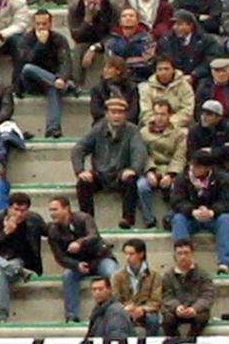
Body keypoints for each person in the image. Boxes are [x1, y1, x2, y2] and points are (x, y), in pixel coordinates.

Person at [72, 97, 148, 229]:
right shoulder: (98, 129)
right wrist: (80, 171)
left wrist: (134, 169)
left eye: (120, 112)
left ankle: (128, 219)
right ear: (107, 114)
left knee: (131, 181)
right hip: (101, 174)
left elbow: (139, 152)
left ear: (125, 114)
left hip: (121, 174)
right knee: (83, 183)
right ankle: (87, 220)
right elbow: (79, 149)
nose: (116, 116)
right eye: (113, 112)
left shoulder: (133, 130)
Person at [0, 192, 46, 323]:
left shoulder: (34, 219)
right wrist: (5, 232)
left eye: (23, 211)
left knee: (0, 273)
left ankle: (1, 316)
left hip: (17, 260)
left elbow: (50, 232)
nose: (19, 214)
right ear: (8, 208)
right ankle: (17, 271)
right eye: (16, 210)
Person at [47, 196, 118, 323]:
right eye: (50, 210)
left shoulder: (84, 218)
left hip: (100, 258)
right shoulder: (53, 230)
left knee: (112, 273)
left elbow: (94, 235)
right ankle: (71, 315)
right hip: (78, 263)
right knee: (68, 276)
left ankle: (117, 309)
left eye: (55, 209)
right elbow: (60, 257)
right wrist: (76, 265)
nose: (52, 213)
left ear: (66, 208)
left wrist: (80, 242)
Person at [170, 150, 229, 273]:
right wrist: (192, 211)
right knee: (178, 219)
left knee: (225, 220)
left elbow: (226, 201)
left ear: (207, 168)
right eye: (193, 165)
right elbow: (177, 201)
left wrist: (212, 211)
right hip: (191, 217)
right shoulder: (182, 178)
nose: (193, 169)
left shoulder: (222, 178)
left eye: (198, 167)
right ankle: (184, 261)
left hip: (213, 217)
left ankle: (224, 263)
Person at [19, 9, 75, 138]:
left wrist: (61, 78)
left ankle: (53, 128)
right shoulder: (26, 39)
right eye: (38, 24)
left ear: (50, 24)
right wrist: (40, 44)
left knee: (53, 87)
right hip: (32, 82)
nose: (41, 27)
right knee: (28, 68)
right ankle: (66, 85)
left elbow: (65, 62)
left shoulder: (59, 39)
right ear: (33, 24)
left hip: (52, 81)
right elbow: (26, 60)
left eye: (44, 24)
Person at [138, 99, 187, 228]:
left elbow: (180, 157)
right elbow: (142, 154)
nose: (159, 117)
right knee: (141, 186)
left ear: (170, 115)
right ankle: (149, 220)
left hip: (170, 169)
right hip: (151, 169)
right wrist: (149, 171)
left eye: (163, 114)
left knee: (178, 187)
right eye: (156, 114)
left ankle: (170, 217)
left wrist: (171, 174)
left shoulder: (179, 134)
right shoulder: (143, 133)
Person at [111, 238, 163, 336]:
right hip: (125, 309)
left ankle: (150, 343)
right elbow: (115, 297)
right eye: (126, 254)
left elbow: (156, 300)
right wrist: (126, 308)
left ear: (141, 254)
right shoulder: (117, 276)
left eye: (131, 254)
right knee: (117, 318)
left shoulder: (154, 276)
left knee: (153, 319)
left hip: (146, 311)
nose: (127, 257)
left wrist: (142, 309)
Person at [157, 9, 221, 88]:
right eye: (174, 24)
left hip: (199, 78)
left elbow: (210, 60)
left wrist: (194, 75)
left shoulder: (206, 40)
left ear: (190, 25)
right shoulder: (166, 40)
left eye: (179, 24)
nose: (175, 27)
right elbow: (163, 59)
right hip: (174, 77)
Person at [69, 0, 118, 87]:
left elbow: (114, 33)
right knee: (78, 48)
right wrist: (87, 19)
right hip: (84, 42)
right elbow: (76, 36)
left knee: (110, 46)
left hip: (104, 43)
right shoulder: (75, 7)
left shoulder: (111, 6)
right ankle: (77, 83)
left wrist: (94, 47)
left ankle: (107, 81)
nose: (92, 0)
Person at [139, 55, 195, 129]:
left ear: (173, 70)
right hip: (153, 126)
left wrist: (169, 124)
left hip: (179, 126)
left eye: (166, 69)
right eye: (160, 69)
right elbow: (145, 110)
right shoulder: (147, 88)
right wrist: (155, 123)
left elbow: (187, 110)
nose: (163, 72)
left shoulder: (185, 86)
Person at [103, 8, 155, 83]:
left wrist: (122, 62)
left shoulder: (147, 38)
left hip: (141, 78)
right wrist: (133, 60)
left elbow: (148, 61)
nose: (128, 18)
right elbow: (110, 61)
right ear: (120, 21)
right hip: (116, 79)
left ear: (137, 21)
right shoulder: (112, 39)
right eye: (124, 16)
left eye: (131, 16)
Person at [89, 56, 140, 125]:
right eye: (104, 67)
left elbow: (134, 111)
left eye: (109, 68)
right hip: (104, 123)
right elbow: (96, 111)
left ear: (118, 71)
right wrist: (112, 118)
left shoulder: (131, 88)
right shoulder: (97, 89)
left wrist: (120, 119)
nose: (105, 70)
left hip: (127, 123)